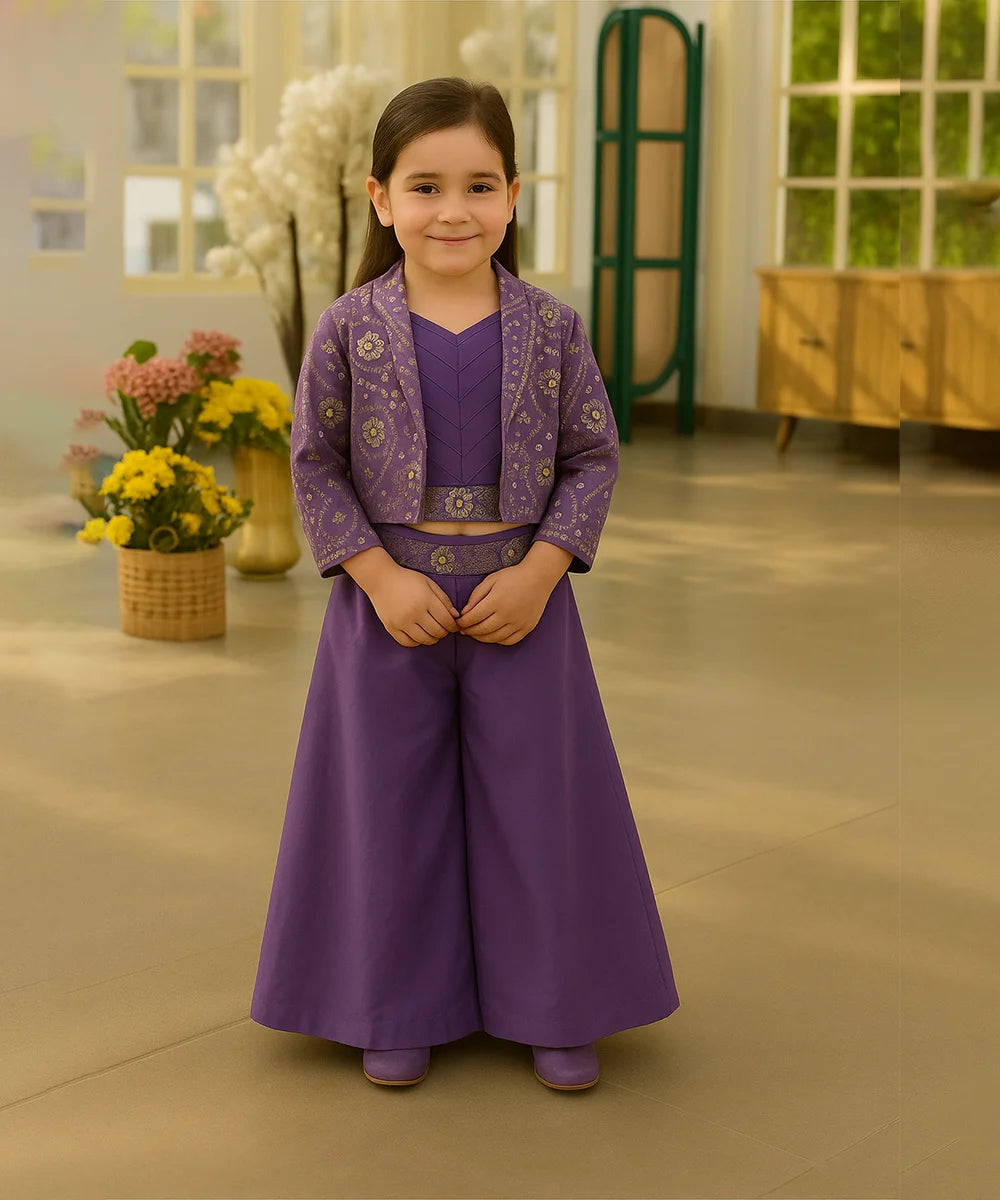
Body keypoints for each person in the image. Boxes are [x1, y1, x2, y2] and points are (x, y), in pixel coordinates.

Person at [249, 77, 679, 1092]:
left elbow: (593, 458)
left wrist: (538, 571)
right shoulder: (347, 329)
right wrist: (377, 578)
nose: (454, 209)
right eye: (426, 185)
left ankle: (555, 1004)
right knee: (386, 806)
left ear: (514, 195)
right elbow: (314, 463)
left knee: (537, 804)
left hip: (521, 607)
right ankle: (390, 1005)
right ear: (380, 198)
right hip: (384, 607)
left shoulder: (552, 328)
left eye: (479, 185)